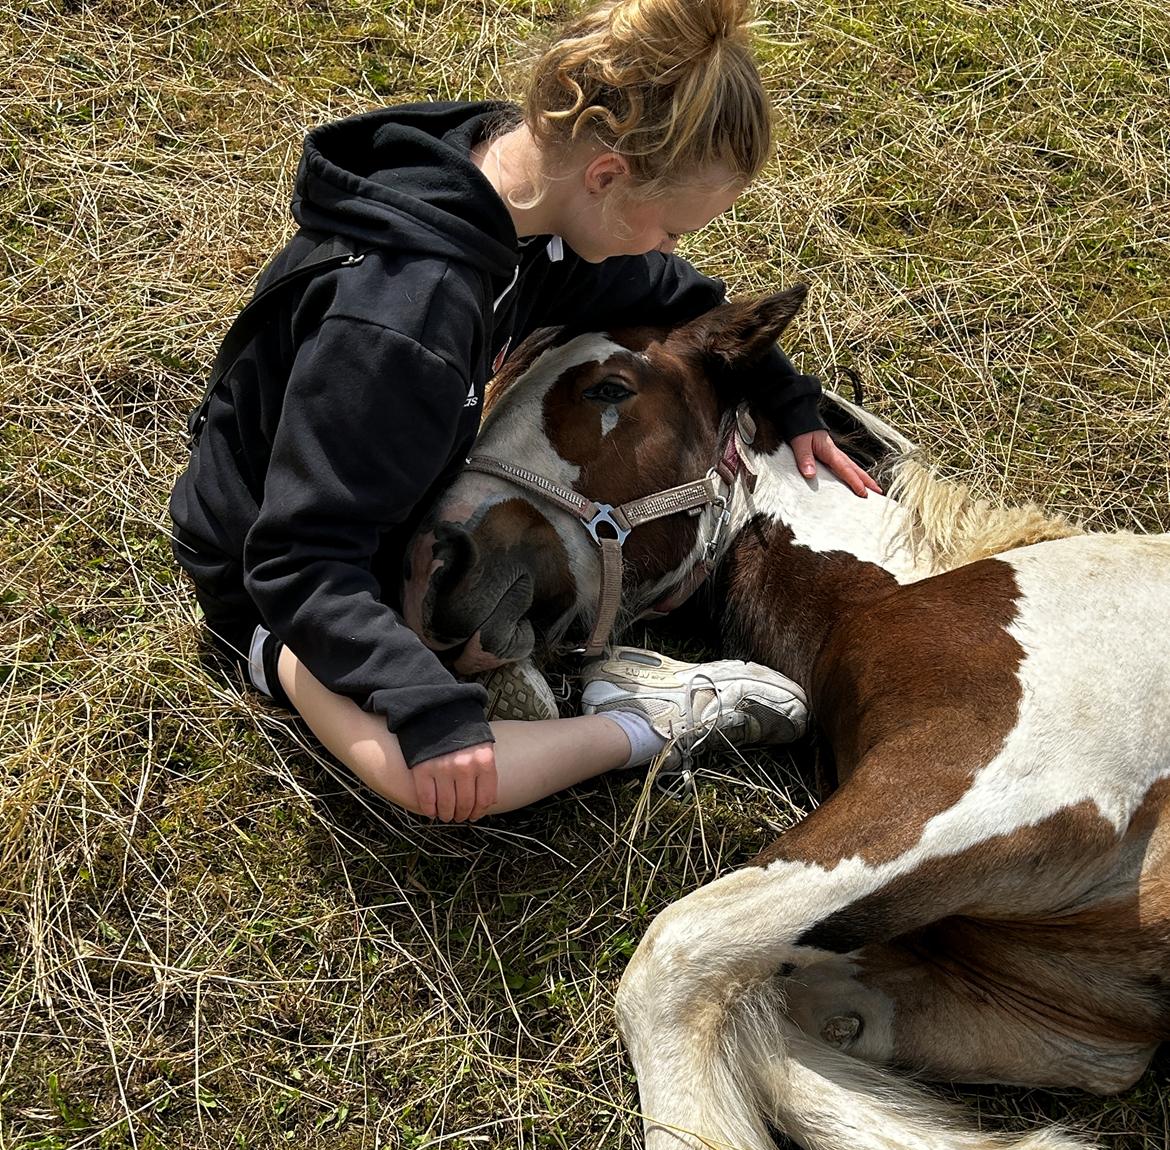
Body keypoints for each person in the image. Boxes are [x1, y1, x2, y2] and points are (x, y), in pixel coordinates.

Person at [170, 0, 879, 825]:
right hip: (267, 581)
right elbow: (297, 558)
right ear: (607, 175)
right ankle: (649, 721)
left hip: (363, 513)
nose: (669, 248)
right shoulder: (409, 324)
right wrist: (424, 706)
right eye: (672, 226)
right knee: (440, 781)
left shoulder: (516, 206)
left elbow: (675, 296)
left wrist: (789, 400)